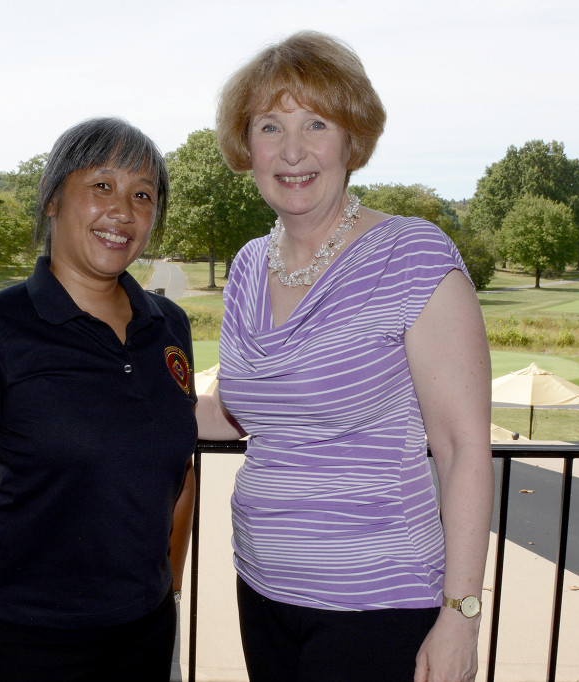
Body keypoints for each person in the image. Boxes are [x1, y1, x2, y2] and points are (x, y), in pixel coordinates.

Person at [197, 32, 494, 682]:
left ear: (351, 138)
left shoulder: (411, 256)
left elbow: (462, 445)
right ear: (246, 147)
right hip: (261, 588)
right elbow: (237, 412)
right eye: (270, 126)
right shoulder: (248, 265)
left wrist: (461, 615)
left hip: (377, 605)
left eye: (316, 123)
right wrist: (110, 400)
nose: (293, 150)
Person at [0, 117, 197, 682]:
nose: (122, 210)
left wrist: (166, 588)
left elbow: (179, 472)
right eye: (102, 185)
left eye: (142, 195)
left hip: (144, 635)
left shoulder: (168, 326)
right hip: (30, 643)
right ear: (52, 199)